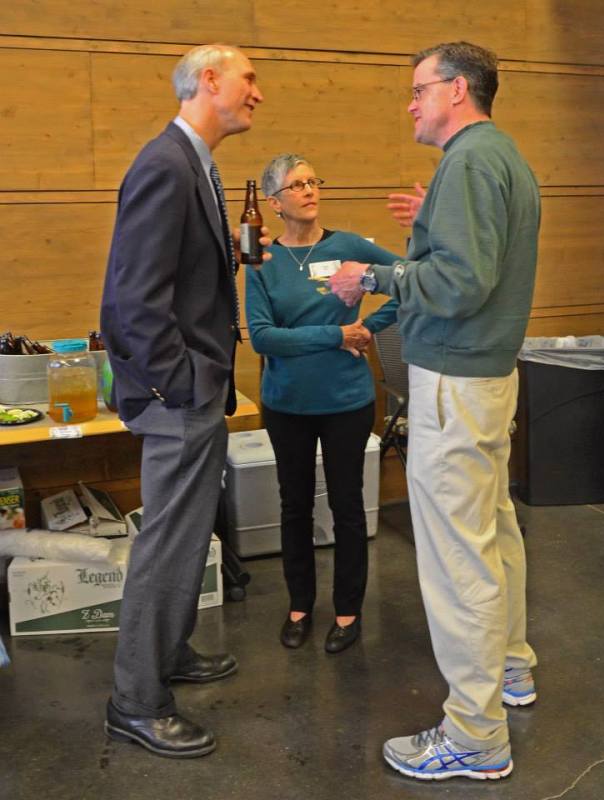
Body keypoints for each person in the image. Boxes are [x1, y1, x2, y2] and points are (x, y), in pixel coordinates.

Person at [329, 41, 539, 781]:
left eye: (420, 90)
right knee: (491, 532)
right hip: (485, 378)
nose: (411, 103)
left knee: (458, 561)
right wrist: (432, 217)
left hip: (455, 382)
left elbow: (459, 285)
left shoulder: (473, 162)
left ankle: (475, 736)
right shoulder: (495, 157)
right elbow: (474, 257)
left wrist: (374, 276)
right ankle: (511, 669)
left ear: (457, 90)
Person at [100, 44, 267, 759]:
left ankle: (168, 652)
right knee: (167, 546)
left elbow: (177, 274)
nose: (258, 92)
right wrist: (183, 384)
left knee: (189, 538)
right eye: (249, 78)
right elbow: (129, 302)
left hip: (196, 390)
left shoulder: (201, 164)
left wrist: (223, 252)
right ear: (209, 80)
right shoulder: (165, 164)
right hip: (180, 395)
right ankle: (135, 700)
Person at [245, 153, 399, 654]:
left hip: (346, 401)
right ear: (273, 202)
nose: (310, 190)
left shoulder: (350, 246)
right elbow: (265, 338)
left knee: (348, 506)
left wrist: (367, 330)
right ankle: (299, 606)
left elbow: (409, 282)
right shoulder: (263, 261)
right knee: (294, 506)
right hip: (287, 403)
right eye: (297, 185)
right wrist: (336, 334)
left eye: (314, 181)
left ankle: (348, 611)